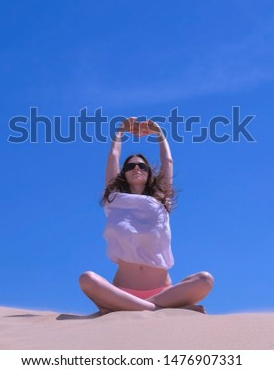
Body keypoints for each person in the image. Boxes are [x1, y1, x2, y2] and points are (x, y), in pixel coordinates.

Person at [79, 117, 214, 314]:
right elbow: (113, 158)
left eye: (142, 166)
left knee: (205, 279)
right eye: (130, 166)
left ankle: (129, 309)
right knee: (87, 279)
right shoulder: (114, 200)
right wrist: (120, 131)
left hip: (163, 292)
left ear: (149, 173)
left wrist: (158, 132)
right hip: (122, 291)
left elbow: (168, 161)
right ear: (123, 173)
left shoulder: (161, 202)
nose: (136, 168)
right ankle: (160, 310)